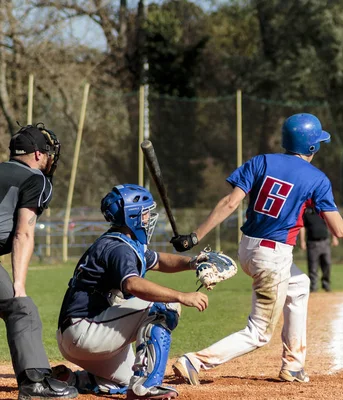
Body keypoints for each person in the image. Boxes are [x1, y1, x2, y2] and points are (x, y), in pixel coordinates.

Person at [169, 113, 343, 384]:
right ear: (311, 147)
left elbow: (229, 203)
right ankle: (194, 361)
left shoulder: (260, 161)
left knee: (300, 285)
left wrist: (194, 236)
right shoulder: (317, 179)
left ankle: (293, 365)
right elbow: (339, 229)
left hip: (248, 250)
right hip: (273, 257)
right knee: (258, 333)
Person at [52, 184, 210, 400]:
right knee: (167, 306)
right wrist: (182, 295)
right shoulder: (119, 249)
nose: (148, 218)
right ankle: (147, 386)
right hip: (86, 332)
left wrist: (193, 262)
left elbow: (160, 260)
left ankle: (73, 380)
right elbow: (133, 285)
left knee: (126, 381)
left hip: (80, 333)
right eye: (145, 213)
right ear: (132, 216)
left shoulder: (121, 241)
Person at [0, 124, 78, 400]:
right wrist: (19, 285)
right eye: (48, 154)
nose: (50, 159)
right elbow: (23, 232)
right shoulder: (35, 179)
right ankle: (35, 384)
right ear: (36, 154)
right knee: (22, 309)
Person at [299, 206, 339, 293]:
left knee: (327, 264)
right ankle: (313, 288)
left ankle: (326, 285)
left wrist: (334, 238)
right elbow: (302, 227)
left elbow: (330, 224)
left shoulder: (322, 212)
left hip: (325, 242)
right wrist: (302, 241)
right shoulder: (306, 214)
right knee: (313, 267)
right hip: (312, 243)